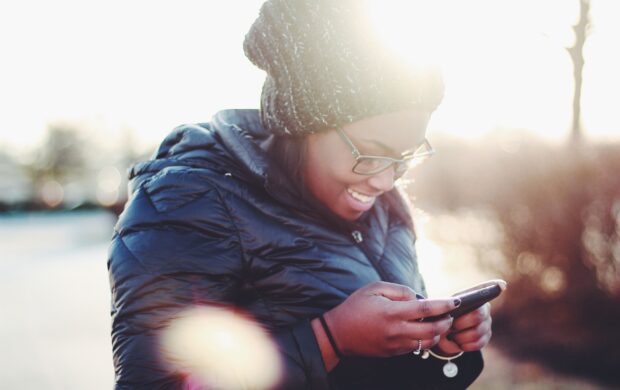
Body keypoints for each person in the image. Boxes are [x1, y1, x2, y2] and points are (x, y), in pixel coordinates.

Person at [108, 0, 492, 388]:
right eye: (371, 153)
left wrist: (440, 343)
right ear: (304, 123)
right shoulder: (189, 204)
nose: (386, 181)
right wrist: (329, 339)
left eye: (405, 156)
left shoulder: (385, 208)